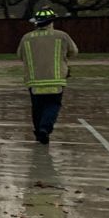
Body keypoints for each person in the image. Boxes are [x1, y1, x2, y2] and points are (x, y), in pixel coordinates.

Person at [16, 8, 78, 145]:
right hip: (56, 79)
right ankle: (45, 128)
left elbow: (20, 55)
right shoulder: (62, 36)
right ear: (51, 22)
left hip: (34, 80)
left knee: (37, 107)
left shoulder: (26, 38)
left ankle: (38, 131)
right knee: (53, 105)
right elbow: (73, 52)